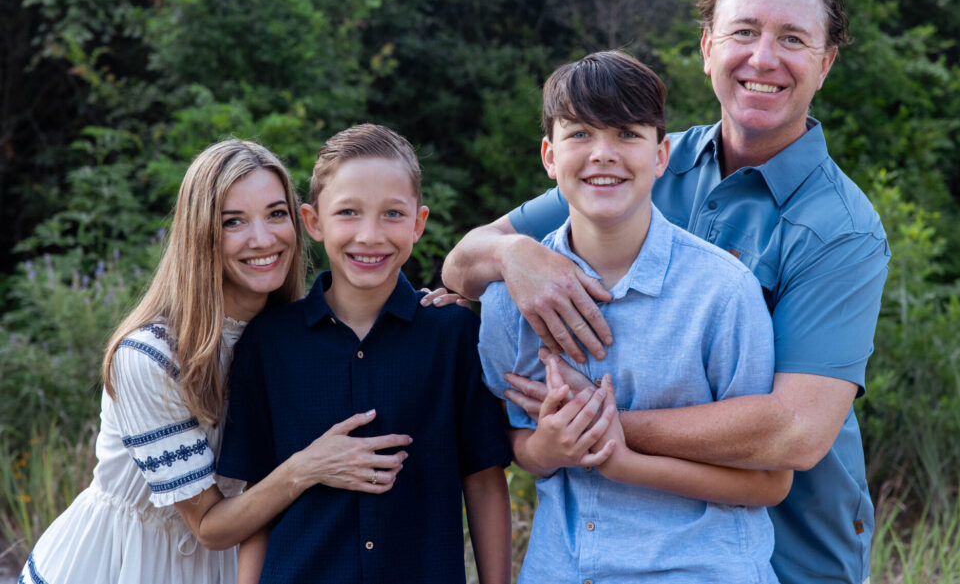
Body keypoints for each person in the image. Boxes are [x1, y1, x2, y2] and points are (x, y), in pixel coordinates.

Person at [443, 0, 890, 584]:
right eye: (743, 31)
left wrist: (590, 426)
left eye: (793, 38)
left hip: (793, 549)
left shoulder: (839, 230)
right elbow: (462, 263)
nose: (763, 57)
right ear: (708, 46)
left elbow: (794, 432)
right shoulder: (638, 165)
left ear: (826, 62)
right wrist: (515, 253)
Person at [19, 139, 447, 584]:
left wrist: (416, 310)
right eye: (233, 222)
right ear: (201, 233)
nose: (263, 239)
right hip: (126, 563)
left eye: (276, 214)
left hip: (235, 563)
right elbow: (207, 526)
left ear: (300, 221)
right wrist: (308, 466)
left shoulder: (289, 338)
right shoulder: (150, 358)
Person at [479, 49, 791, 583]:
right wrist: (545, 448)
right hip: (564, 569)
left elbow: (769, 481)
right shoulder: (508, 301)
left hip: (702, 569)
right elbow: (511, 444)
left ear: (661, 155)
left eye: (626, 134)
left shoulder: (723, 292)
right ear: (550, 156)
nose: (603, 154)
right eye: (580, 134)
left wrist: (622, 459)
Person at [217, 124, 512, 584]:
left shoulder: (453, 335)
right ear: (313, 222)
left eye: (392, 214)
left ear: (418, 222)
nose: (370, 235)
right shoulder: (268, 342)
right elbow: (260, 498)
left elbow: (484, 479)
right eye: (349, 212)